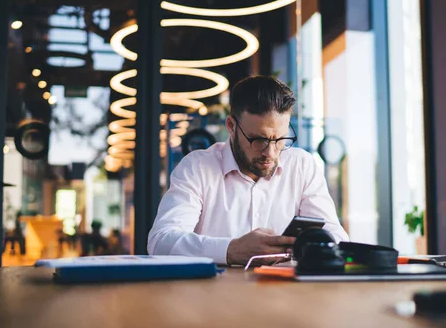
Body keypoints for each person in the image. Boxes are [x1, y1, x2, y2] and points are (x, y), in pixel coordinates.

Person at [148, 75, 348, 265]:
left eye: (280, 139)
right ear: (231, 126)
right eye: (258, 139)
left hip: (286, 296)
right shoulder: (197, 168)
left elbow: (335, 237)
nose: (270, 153)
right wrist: (232, 249)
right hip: (213, 297)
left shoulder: (302, 167)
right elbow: (161, 242)